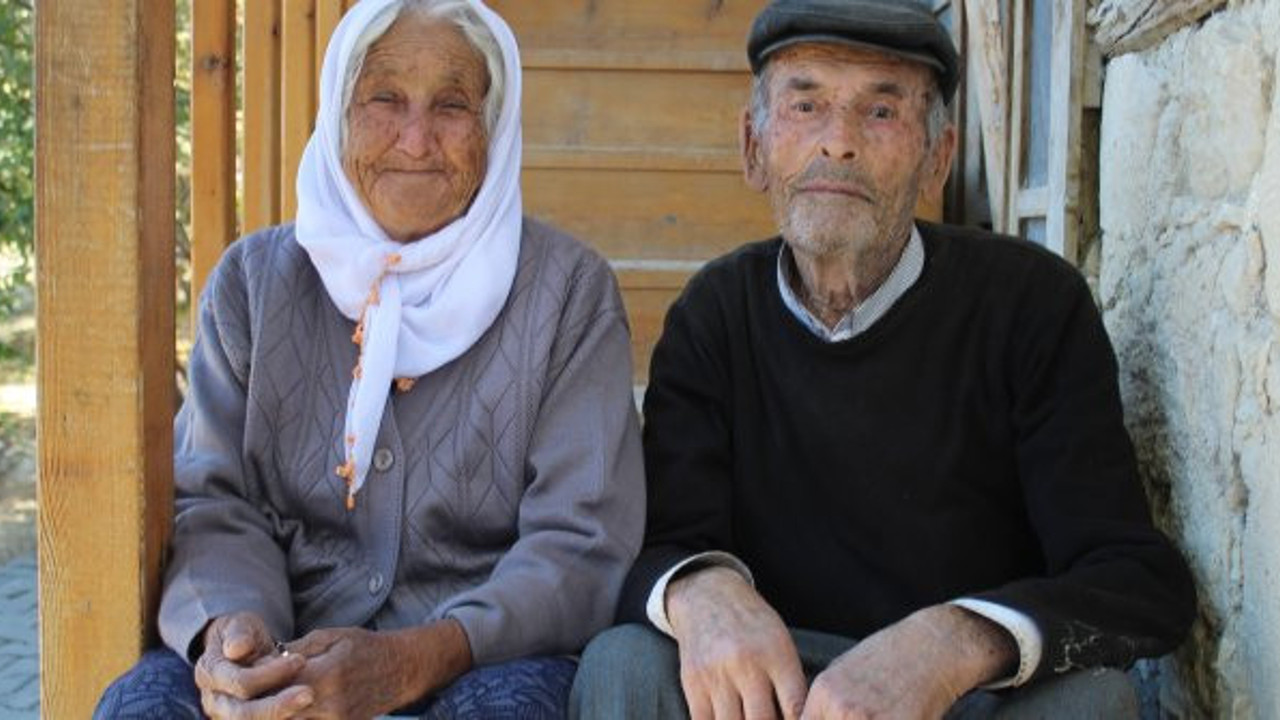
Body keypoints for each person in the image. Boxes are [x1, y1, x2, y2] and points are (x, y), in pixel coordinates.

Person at [571, 1, 1196, 718]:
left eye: (881, 112)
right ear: (753, 146)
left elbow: (1138, 579)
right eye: (806, 105)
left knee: (1094, 702)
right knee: (625, 663)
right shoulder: (715, 314)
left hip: (961, 695)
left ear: (939, 156)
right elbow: (659, 539)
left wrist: (953, 639)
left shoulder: (1034, 305)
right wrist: (702, 590)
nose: (838, 142)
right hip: (770, 693)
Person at [94, 1, 644, 717]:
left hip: (484, 660)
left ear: (494, 129)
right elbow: (212, 502)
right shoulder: (255, 286)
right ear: (337, 113)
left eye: (452, 104)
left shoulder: (566, 293)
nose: (416, 140)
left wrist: (420, 656)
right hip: (285, 650)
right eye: (383, 98)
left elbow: (582, 542)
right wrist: (234, 639)